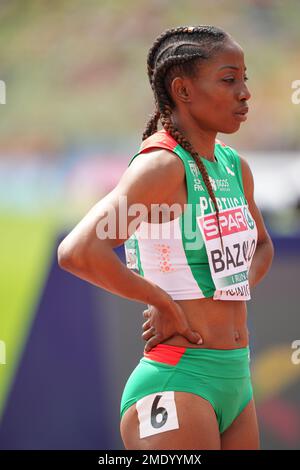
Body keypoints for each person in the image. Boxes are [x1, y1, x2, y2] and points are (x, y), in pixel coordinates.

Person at [57, 25, 274, 450]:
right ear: (183, 90)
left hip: (236, 379)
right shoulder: (161, 168)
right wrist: (160, 301)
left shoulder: (233, 166)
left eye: (245, 78)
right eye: (229, 79)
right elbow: (79, 251)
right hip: (179, 380)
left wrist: (235, 287)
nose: (245, 92)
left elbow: (262, 245)